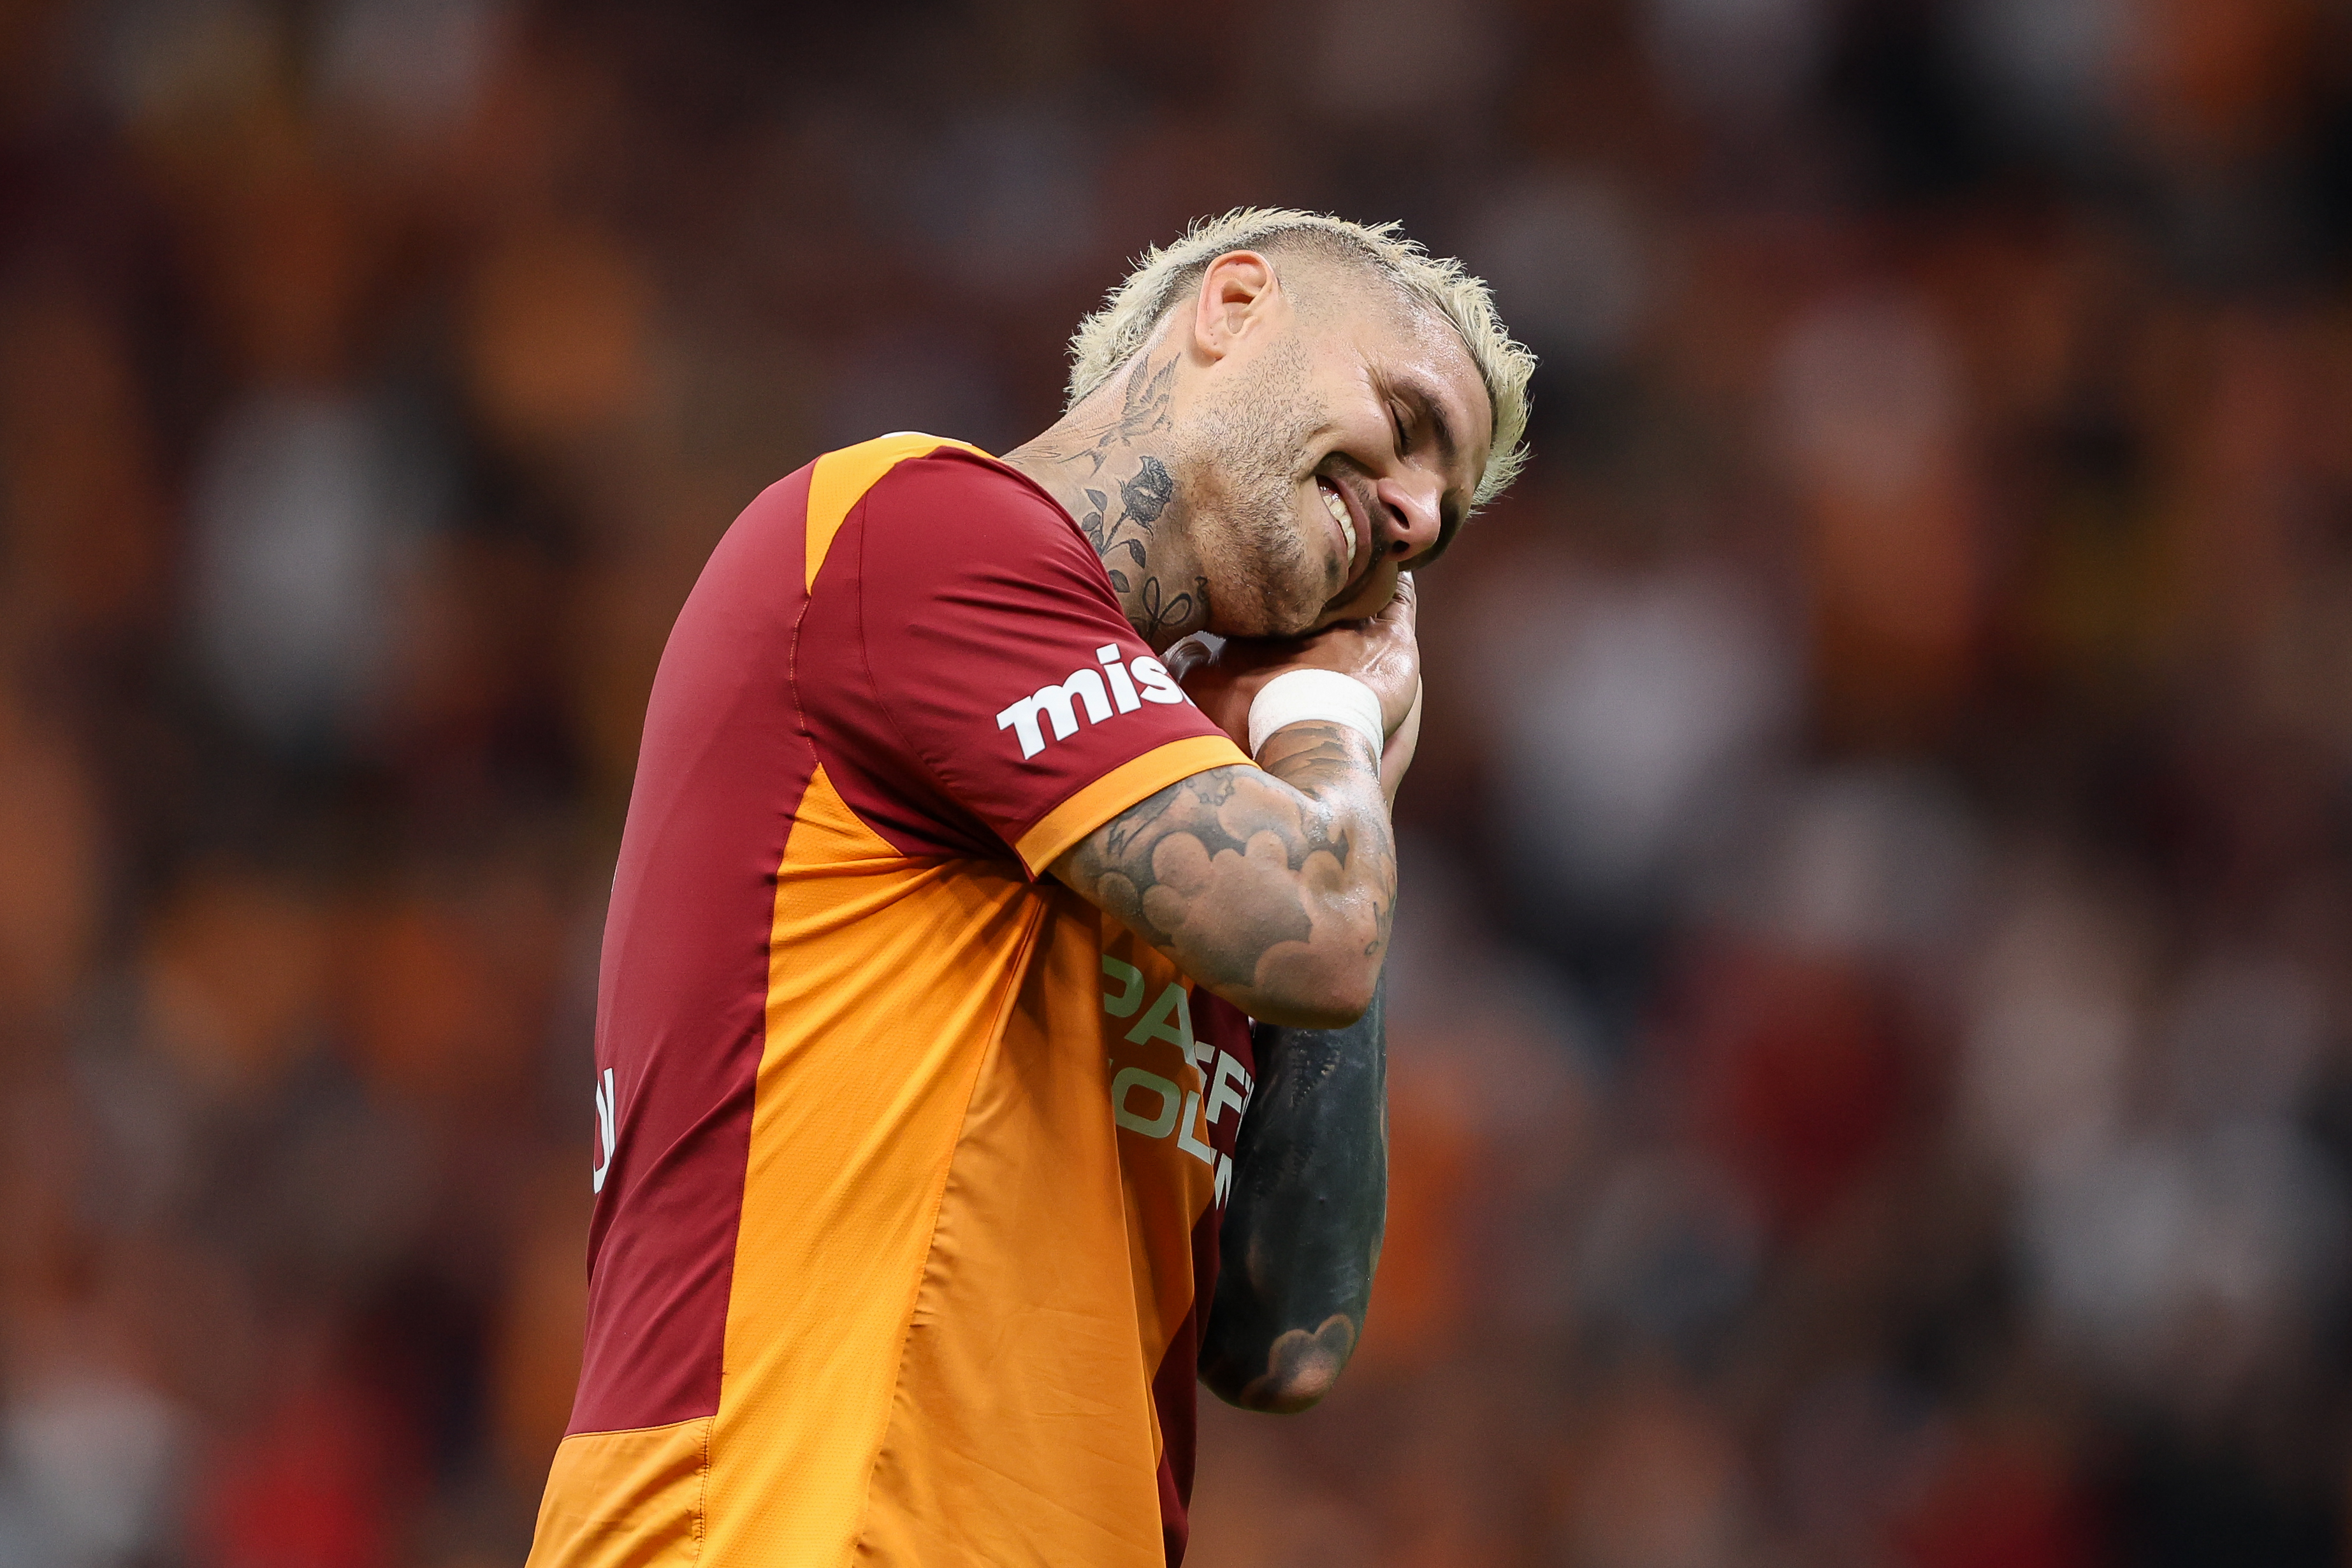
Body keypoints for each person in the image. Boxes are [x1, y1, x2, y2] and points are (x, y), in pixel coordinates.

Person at [525, 208, 1532, 1568]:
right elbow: (1324, 932)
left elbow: (1287, 1339)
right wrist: (1333, 742)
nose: (1413, 513)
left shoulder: (1204, 842)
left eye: (1441, 524)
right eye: (1408, 422)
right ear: (1234, 305)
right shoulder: (915, 529)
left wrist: (1319, 774)